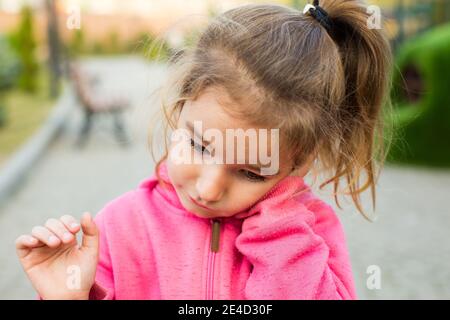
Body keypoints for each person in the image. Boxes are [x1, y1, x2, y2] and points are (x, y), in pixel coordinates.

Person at [15, 0, 392, 300]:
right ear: (180, 108)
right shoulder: (121, 226)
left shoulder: (310, 232)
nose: (210, 189)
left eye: (251, 172)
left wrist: (280, 229)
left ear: (300, 162)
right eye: (198, 145)